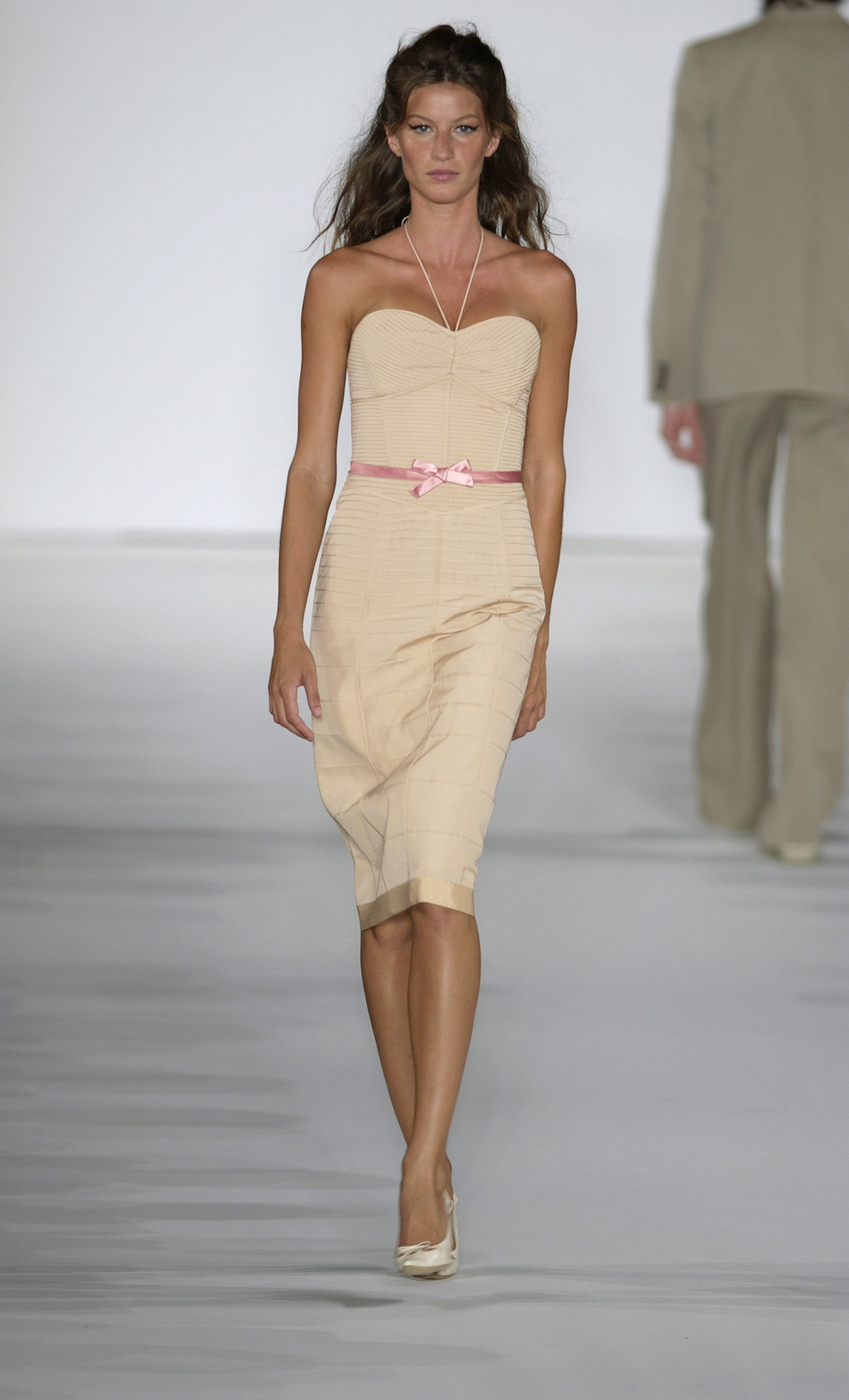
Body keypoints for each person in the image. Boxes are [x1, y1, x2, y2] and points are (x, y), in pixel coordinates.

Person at [268, 24, 575, 1277]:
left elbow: (547, 467)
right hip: (370, 585)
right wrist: (286, 624)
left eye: (464, 127)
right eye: (422, 126)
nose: (442, 148)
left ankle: (417, 1165)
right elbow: (310, 464)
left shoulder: (543, 286)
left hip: (493, 584)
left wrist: (539, 630)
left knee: (443, 873)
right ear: (394, 141)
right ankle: (430, 1155)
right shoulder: (344, 280)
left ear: (493, 140)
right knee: (387, 903)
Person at [649, 0, 849, 864]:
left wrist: (674, 372)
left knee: (735, 566)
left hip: (733, 351)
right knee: (826, 579)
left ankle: (730, 790)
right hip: (841, 351)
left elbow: (688, 222)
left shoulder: (714, 65)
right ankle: (799, 811)